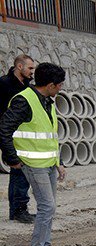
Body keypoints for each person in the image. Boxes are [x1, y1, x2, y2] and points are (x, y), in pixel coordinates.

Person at [0, 62, 67, 246]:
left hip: (47, 162)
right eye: (59, 84)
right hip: (33, 163)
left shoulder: (47, 101)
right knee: (47, 207)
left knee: (50, 207)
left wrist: (59, 162)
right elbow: (4, 129)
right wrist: (12, 158)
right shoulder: (24, 100)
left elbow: (50, 135)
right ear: (50, 84)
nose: (61, 88)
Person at [0, 54, 35, 224]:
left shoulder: (28, 86)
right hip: (8, 134)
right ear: (19, 67)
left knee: (19, 172)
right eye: (30, 68)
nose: (32, 72)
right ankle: (18, 209)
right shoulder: (4, 84)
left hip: (23, 136)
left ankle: (18, 209)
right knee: (18, 171)